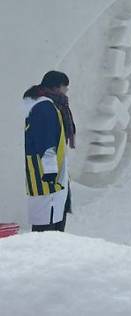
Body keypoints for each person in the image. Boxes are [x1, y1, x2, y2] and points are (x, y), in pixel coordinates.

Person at [23, 71, 73, 232]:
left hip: (50, 173)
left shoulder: (46, 105)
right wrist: (51, 169)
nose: (66, 92)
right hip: (47, 175)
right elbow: (46, 140)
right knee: (47, 223)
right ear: (57, 87)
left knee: (51, 216)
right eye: (65, 87)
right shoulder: (45, 107)